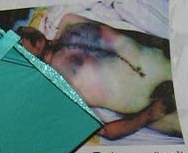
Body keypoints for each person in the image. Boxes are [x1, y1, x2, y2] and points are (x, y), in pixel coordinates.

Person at [17, 13, 181, 142]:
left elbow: (125, 35)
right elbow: (105, 131)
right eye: (19, 43)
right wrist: (150, 114)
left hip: (175, 63)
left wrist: (166, 44)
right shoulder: (58, 90)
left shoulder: (70, 21)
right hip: (168, 108)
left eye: (22, 30)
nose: (25, 37)